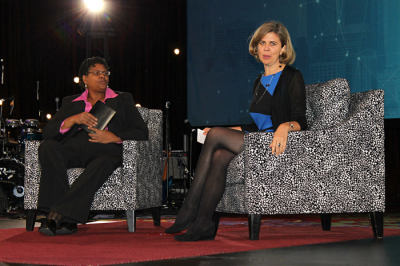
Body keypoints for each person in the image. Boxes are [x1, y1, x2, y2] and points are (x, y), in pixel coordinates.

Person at [165, 21, 307, 241]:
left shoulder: (292, 77)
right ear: (256, 47)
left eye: (273, 44)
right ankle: (204, 224)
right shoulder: (259, 81)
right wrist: (226, 129)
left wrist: (283, 128)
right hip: (259, 138)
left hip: (273, 144)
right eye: (262, 43)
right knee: (220, 154)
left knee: (215, 136)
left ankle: (189, 208)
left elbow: (300, 120)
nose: (267, 48)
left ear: (283, 49)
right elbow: (255, 124)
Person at [37, 57, 148, 236]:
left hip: (107, 150)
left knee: (103, 163)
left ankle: (55, 216)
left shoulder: (123, 99)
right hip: (76, 148)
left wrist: (114, 137)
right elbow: (48, 132)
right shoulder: (71, 102)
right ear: (84, 79)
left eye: (106, 73)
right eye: (97, 73)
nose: (103, 77)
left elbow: (142, 132)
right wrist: (73, 119)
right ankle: (67, 219)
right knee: (47, 147)